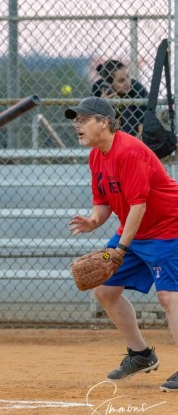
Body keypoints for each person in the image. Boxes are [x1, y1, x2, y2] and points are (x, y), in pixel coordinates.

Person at [65, 96, 178, 393]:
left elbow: (138, 206)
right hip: (133, 230)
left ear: (104, 122)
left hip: (167, 228)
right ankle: (141, 355)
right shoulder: (95, 156)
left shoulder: (129, 151)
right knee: (106, 291)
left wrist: (120, 249)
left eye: (84, 119)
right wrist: (93, 221)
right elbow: (103, 202)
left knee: (168, 297)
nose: (78, 125)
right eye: (76, 120)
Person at [91, 59, 148, 138]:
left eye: (128, 76)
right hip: (108, 137)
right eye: (121, 80)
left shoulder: (137, 88)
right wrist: (102, 106)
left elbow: (144, 121)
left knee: (127, 110)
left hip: (134, 136)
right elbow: (92, 123)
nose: (128, 83)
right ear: (109, 83)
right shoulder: (98, 88)